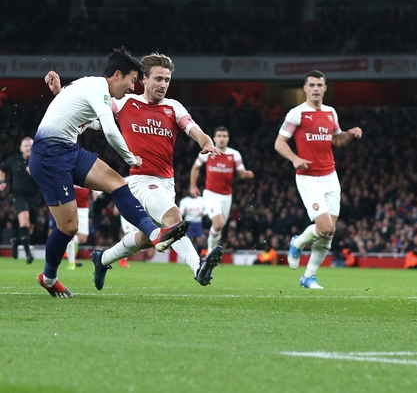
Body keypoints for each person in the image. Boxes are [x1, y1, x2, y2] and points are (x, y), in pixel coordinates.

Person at [46, 52, 223, 289]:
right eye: (158, 79)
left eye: (167, 80)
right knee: (174, 220)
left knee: (148, 238)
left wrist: (205, 141)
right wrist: (60, 93)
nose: (163, 85)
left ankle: (103, 258)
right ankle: (198, 266)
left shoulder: (173, 107)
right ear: (144, 80)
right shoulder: (124, 102)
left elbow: (192, 128)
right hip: (141, 181)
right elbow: (90, 113)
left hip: (167, 182)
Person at [275, 70, 362, 289]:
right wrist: (294, 158)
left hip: (330, 177)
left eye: (319, 85)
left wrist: (350, 134)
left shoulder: (331, 113)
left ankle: (309, 276)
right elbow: (279, 143)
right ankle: (298, 242)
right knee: (324, 227)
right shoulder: (297, 113)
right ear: (305, 88)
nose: (315, 88)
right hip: (308, 178)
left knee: (329, 233)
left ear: (325, 88)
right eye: (311, 85)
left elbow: (337, 141)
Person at [190, 127, 254, 253]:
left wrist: (246, 174)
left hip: (226, 196)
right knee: (218, 224)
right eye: (219, 136)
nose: (222, 138)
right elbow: (195, 168)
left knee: (219, 227)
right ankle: (209, 252)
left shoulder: (234, 154)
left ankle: (211, 252)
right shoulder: (208, 152)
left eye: (224, 136)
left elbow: (241, 173)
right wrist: (193, 186)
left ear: (228, 139)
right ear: (214, 138)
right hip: (210, 193)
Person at [0, 137, 41, 264]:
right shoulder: (14, 160)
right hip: (19, 196)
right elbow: (1, 168)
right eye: (26, 145)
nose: (28, 148)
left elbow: (47, 177)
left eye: (30, 146)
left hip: (34, 198)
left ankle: (15, 242)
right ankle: (28, 254)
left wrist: (35, 173)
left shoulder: (39, 162)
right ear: (21, 148)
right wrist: (2, 181)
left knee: (29, 229)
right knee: (24, 221)